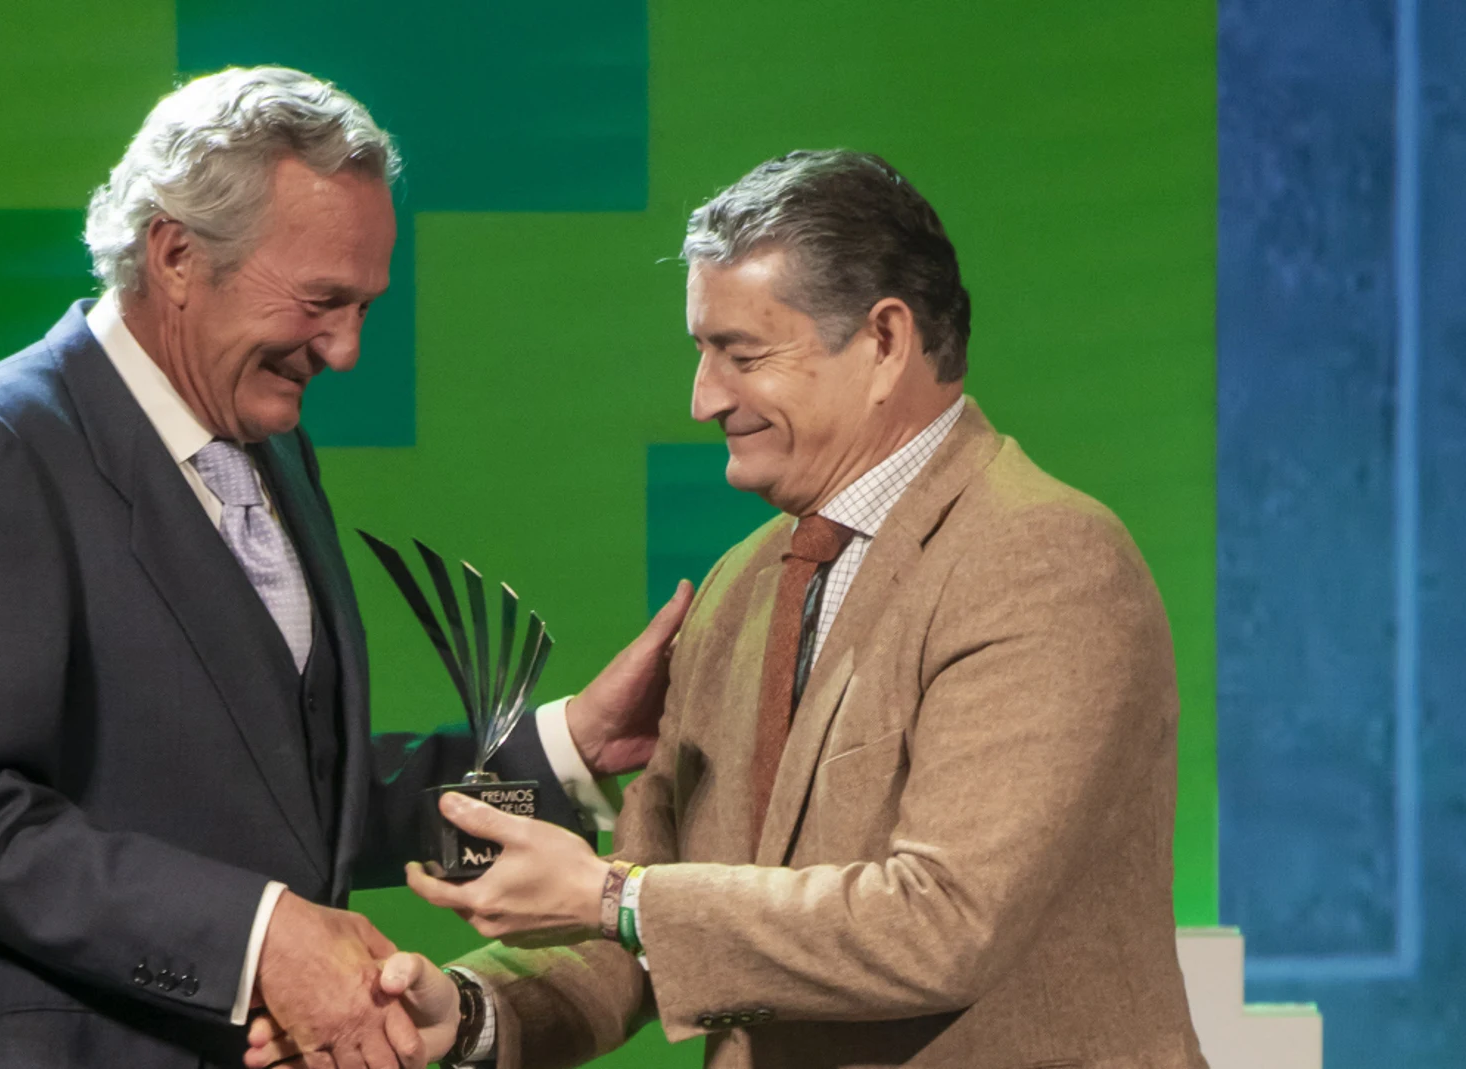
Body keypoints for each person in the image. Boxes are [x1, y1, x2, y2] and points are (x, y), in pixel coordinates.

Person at [251, 149, 1208, 1068]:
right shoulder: (739, 586)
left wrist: (615, 896)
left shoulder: (1040, 558)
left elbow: (943, 920)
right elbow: (649, 929)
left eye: (740, 354)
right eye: (702, 351)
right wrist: (462, 1014)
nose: (704, 398)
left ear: (883, 342)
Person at [0, 66, 689, 1069]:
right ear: (175, 254)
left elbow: (291, 792)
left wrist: (566, 748)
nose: (344, 351)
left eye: (364, 307)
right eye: (320, 301)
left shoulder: (272, 447)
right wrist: (257, 939)